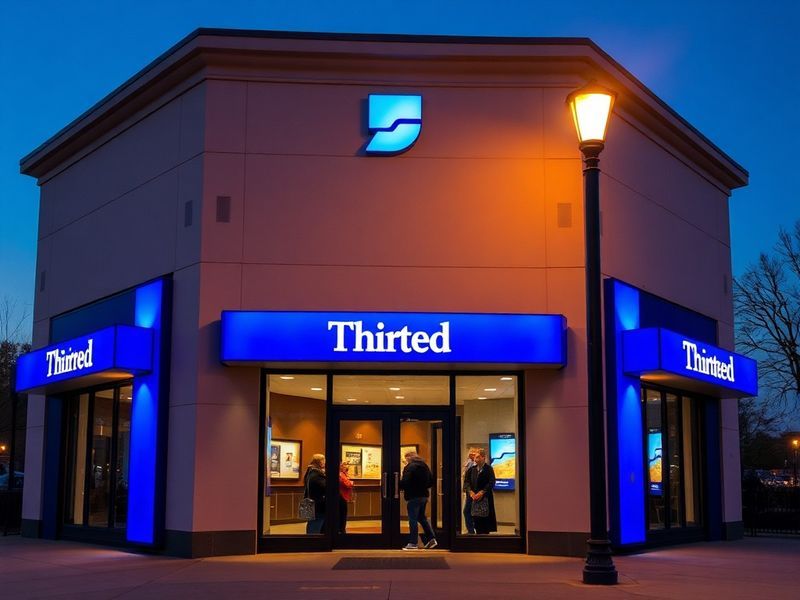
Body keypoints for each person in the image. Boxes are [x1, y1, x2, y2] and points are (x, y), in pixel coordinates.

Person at [399, 451, 437, 550]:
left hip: (413, 496)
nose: (405, 460)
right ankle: (431, 539)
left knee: (413, 519)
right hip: (424, 496)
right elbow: (431, 481)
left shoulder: (410, 467)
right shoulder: (424, 465)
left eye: (405, 458)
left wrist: (398, 486)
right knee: (422, 517)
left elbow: (406, 481)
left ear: (409, 458)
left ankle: (413, 543)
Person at [464, 448, 497, 535]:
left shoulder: (488, 469)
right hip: (472, 497)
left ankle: (484, 537)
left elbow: (491, 482)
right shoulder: (471, 470)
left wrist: (482, 492)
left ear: (483, 457)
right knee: (470, 514)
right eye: (475, 457)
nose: (475, 459)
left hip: (484, 498)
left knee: (483, 518)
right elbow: (466, 482)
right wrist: (470, 492)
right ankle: (472, 532)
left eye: (478, 457)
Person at [303, 454, 326, 534]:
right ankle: (312, 542)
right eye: (323, 460)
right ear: (319, 462)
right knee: (315, 525)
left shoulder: (309, 472)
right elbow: (325, 486)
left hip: (313, 503)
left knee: (313, 523)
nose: (324, 462)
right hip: (318, 504)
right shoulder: (316, 475)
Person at [462, 449, 477, 534]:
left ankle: (472, 530)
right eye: (470, 454)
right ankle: (471, 530)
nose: (471, 455)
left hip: (474, 492)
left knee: (469, 511)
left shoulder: (475, 465)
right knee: (468, 511)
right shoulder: (468, 463)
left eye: (473, 454)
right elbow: (465, 477)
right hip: (469, 491)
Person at [338, 461, 354, 534]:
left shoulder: (344, 474)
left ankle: (342, 529)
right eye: (344, 466)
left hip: (344, 496)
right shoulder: (340, 474)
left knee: (343, 514)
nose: (346, 467)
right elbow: (348, 484)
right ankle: (341, 530)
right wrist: (351, 482)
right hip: (341, 497)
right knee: (342, 515)